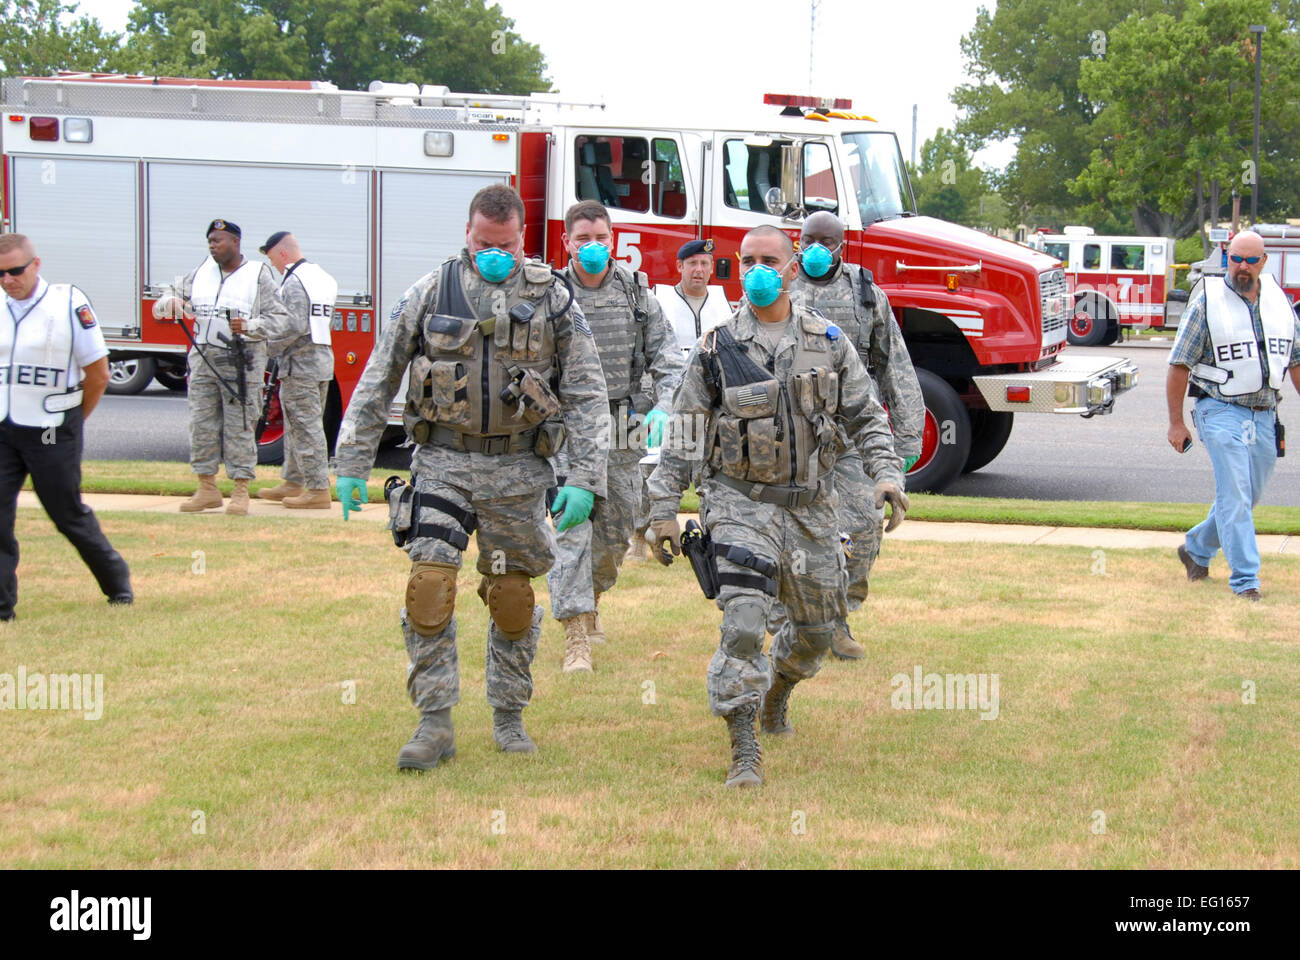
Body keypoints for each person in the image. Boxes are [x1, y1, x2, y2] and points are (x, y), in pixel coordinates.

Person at [332, 183, 609, 770]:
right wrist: (352, 460)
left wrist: (585, 478)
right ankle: (434, 723)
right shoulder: (430, 291)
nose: (495, 254)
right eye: (485, 243)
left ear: (523, 238)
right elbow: (381, 373)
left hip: (517, 470)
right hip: (442, 465)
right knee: (429, 589)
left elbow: (587, 392)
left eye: (506, 245)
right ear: (467, 233)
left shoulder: (553, 299)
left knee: (511, 598)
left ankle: (509, 715)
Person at [646, 225, 908, 787]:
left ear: (792, 270)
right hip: (740, 502)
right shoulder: (718, 347)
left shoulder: (829, 341)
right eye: (747, 260)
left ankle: (777, 692)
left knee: (816, 632)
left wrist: (886, 474)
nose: (757, 270)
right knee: (743, 620)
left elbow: (866, 415)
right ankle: (743, 748)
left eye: (769, 260)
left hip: (812, 509)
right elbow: (685, 433)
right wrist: (663, 507)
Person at [777, 210, 924, 660]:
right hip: (796, 436)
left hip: (853, 435)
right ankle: (796, 622)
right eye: (809, 240)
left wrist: (907, 441)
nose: (817, 249)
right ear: (797, 242)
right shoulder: (780, 287)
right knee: (796, 535)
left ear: (843, 246)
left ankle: (839, 618)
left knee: (862, 531)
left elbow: (894, 365)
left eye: (828, 241)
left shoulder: (866, 295)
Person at [547, 200, 684, 672]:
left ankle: (593, 598)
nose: (592, 246)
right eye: (582, 238)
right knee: (571, 530)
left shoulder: (634, 292)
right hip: (568, 433)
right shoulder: (551, 293)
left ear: (614, 240)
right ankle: (574, 636)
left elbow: (667, 355)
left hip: (624, 430)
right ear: (566, 242)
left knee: (612, 540)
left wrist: (665, 404)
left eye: (600, 238)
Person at [0, 234, 132, 619]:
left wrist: (71, 423)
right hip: (4, 429)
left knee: (66, 513)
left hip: (52, 429)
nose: (8, 280)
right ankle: (3, 607)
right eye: (1, 274)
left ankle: (116, 581)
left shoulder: (67, 303)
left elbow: (99, 374)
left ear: (36, 265)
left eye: (15, 271)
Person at [1167, 230, 1300, 600]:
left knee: (1246, 495)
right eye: (1235, 258)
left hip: (1264, 415)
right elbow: (1179, 365)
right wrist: (1176, 423)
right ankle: (1246, 582)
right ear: (1226, 256)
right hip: (1218, 410)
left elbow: (1296, 360)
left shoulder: (1278, 301)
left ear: (1264, 261)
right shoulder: (1207, 302)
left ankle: (1196, 548)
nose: (1241, 267)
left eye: (1249, 260)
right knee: (1236, 495)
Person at [153, 219, 290, 515]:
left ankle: (240, 491)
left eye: (218, 241)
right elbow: (164, 299)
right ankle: (207, 488)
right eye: (210, 242)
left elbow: (281, 319)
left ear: (236, 243)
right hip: (202, 359)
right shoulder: (201, 270)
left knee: (240, 425)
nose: (213, 246)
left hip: (241, 362)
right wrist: (171, 302)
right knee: (201, 424)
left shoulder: (257, 274)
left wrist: (250, 325)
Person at [248, 231, 337, 510]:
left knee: (306, 428)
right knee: (298, 425)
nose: (272, 263)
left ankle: (317, 490)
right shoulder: (321, 276)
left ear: (282, 252)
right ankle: (293, 481)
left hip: (300, 365)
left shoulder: (295, 282)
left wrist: (265, 347)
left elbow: (293, 325)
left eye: (271, 256)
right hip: (320, 360)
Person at [653, 238, 734, 353]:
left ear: (711, 267)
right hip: (674, 370)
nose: (699, 269)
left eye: (704, 263)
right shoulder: (660, 298)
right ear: (680, 266)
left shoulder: (721, 300)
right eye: (693, 263)